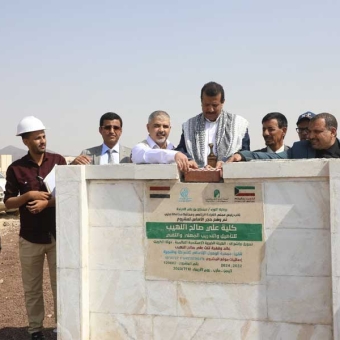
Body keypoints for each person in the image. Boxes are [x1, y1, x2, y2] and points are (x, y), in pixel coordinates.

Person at [4, 116, 66, 340]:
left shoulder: (58, 161)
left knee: (61, 286)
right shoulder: (16, 169)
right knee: (32, 288)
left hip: (57, 236)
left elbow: (68, 194)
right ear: (26, 141)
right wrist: (28, 195)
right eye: (37, 138)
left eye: (44, 136)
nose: (42, 141)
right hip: (30, 238)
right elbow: (8, 203)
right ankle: (35, 330)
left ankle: (63, 327)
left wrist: (46, 203)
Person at [176, 81, 250, 168]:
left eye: (215, 105)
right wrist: (188, 159)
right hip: (197, 177)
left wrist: (227, 162)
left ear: (222, 103)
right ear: (201, 102)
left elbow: (245, 153)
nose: (210, 109)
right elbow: (182, 150)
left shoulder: (239, 124)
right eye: (206, 105)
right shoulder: (189, 126)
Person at [223, 113, 339, 162]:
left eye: (317, 132)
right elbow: (273, 157)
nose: (311, 136)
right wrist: (242, 155)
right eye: (310, 131)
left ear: (332, 132)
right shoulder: (301, 149)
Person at [131, 110, 198, 172]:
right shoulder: (139, 148)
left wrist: (187, 164)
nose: (161, 130)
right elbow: (148, 155)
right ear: (148, 128)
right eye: (157, 126)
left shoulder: (174, 149)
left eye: (165, 126)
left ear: (170, 129)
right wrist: (174, 155)